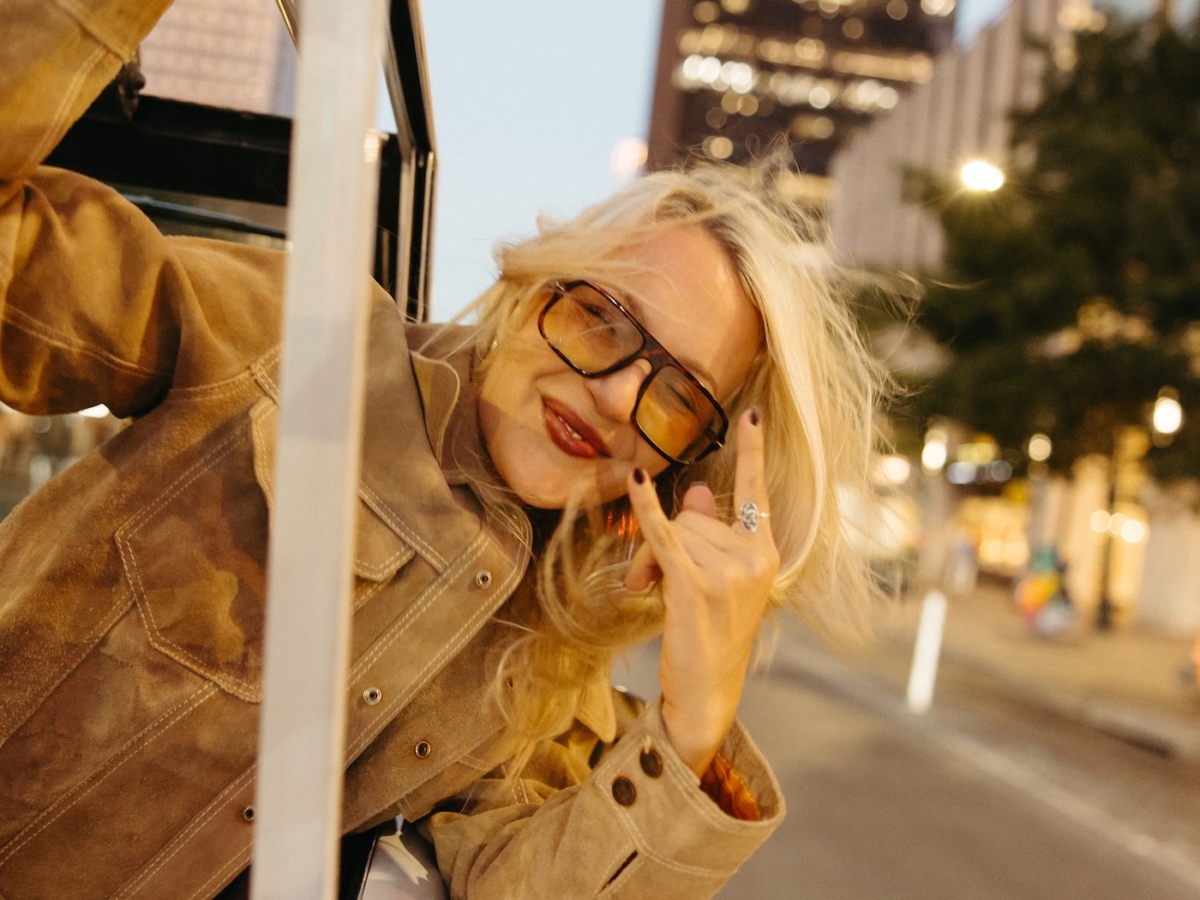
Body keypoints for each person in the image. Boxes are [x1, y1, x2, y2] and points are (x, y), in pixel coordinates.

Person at [0, 1, 883, 898]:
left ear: (686, 461)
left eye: (680, 396)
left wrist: (692, 725)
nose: (619, 394)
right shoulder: (304, 346)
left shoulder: (551, 672)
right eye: (602, 316)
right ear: (530, 282)